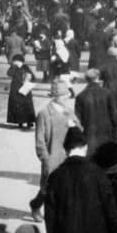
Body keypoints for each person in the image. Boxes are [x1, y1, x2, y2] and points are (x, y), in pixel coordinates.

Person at [30, 80, 78, 223]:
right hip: (51, 156)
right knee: (47, 187)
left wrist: (73, 125)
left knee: (66, 185)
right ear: (56, 97)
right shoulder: (44, 113)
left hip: (66, 156)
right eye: (63, 95)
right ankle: (35, 205)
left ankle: (61, 213)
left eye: (66, 95)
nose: (66, 98)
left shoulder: (68, 111)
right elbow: (39, 139)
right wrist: (44, 158)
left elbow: (79, 129)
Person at [75, 68, 117, 156]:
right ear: (97, 78)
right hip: (106, 133)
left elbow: (77, 120)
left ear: (86, 79)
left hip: (89, 134)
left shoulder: (80, 96)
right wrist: (116, 128)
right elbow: (114, 115)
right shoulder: (107, 93)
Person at [6, 54, 36, 130]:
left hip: (24, 88)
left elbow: (32, 77)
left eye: (15, 61)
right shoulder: (14, 67)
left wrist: (28, 78)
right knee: (17, 105)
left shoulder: (25, 67)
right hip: (15, 89)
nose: (14, 63)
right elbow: (9, 74)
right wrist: (14, 67)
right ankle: (20, 122)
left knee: (27, 105)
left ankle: (29, 121)